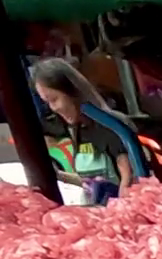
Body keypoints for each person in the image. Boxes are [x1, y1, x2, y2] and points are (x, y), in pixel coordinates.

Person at [31, 59, 140, 195]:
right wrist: (58, 175)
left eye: (54, 99)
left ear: (73, 91)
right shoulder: (78, 129)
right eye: (47, 103)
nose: (53, 108)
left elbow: (128, 181)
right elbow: (90, 182)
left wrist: (118, 205)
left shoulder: (113, 126)